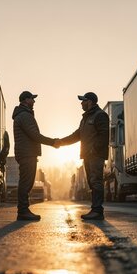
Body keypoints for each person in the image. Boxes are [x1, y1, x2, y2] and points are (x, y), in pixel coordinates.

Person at [55, 92, 109, 220]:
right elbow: (76, 135)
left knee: (96, 181)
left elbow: (104, 135)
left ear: (90, 101)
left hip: (95, 155)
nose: (81, 103)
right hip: (87, 156)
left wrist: (94, 150)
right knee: (92, 182)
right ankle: (95, 209)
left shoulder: (100, 115)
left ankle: (97, 211)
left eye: (83, 101)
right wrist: (60, 142)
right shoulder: (85, 118)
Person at [12, 91, 58, 221]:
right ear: (26, 100)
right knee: (26, 182)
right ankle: (23, 211)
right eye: (32, 99)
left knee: (26, 182)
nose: (34, 101)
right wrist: (53, 142)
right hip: (27, 153)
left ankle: (23, 210)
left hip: (26, 152)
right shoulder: (24, 115)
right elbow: (34, 135)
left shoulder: (22, 115)